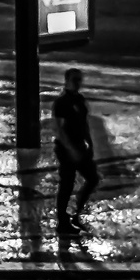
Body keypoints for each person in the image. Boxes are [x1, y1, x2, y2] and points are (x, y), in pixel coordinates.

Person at [54, 67, 100, 225]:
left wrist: (89, 143)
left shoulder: (80, 100)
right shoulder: (62, 102)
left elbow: (84, 123)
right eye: (75, 80)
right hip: (66, 149)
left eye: (80, 80)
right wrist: (70, 149)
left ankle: (76, 212)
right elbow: (59, 129)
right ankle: (62, 220)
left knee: (92, 178)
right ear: (67, 81)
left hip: (80, 146)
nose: (78, 83)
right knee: (67, 183)